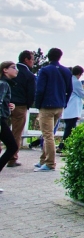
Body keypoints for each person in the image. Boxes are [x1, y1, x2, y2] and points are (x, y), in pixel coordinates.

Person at [33, 48, 72, 172]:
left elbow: (40, 89)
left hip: (47, 106)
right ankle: (43, 160)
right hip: (59, 106)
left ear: (49, 57)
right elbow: (69, 89)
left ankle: (50, 163)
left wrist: (38, 104)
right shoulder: (66, 71)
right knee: (50, 134)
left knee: (47, 135)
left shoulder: (45, 70)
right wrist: (64, 102)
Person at [7, 50, 36, 167]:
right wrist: (27, 105)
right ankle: (12, 158)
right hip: (20, 106)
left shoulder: (9, 72)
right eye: (32, 59)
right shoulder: (29, 75)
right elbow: (31, 93)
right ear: (26, 60)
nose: (33, 62)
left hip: (5, 105)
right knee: (16, 133)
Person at [0, 61, 20, 191]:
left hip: (3, 118)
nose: (16, 70)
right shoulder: (3, 84)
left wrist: (9, 106)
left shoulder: (5, 84)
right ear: (5, 70)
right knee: (12, 147)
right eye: (13, 68)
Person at [57, 65, 84, 153]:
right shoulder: (76, 82)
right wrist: (83, 89)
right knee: (70, 129)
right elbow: (82, 94)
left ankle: (63, 146)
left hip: (68, 108)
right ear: (80, 73)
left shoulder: (68, 80)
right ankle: (62, 147)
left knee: (69, 128)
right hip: (73, 108)